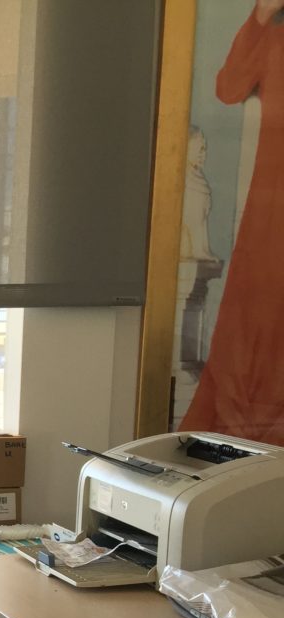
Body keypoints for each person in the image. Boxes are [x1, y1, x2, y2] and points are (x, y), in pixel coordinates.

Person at [180, 0, 284, 444]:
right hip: (275, 205)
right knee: (261, 307)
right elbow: (228, 88)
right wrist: (261, 13)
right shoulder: (275, 36)